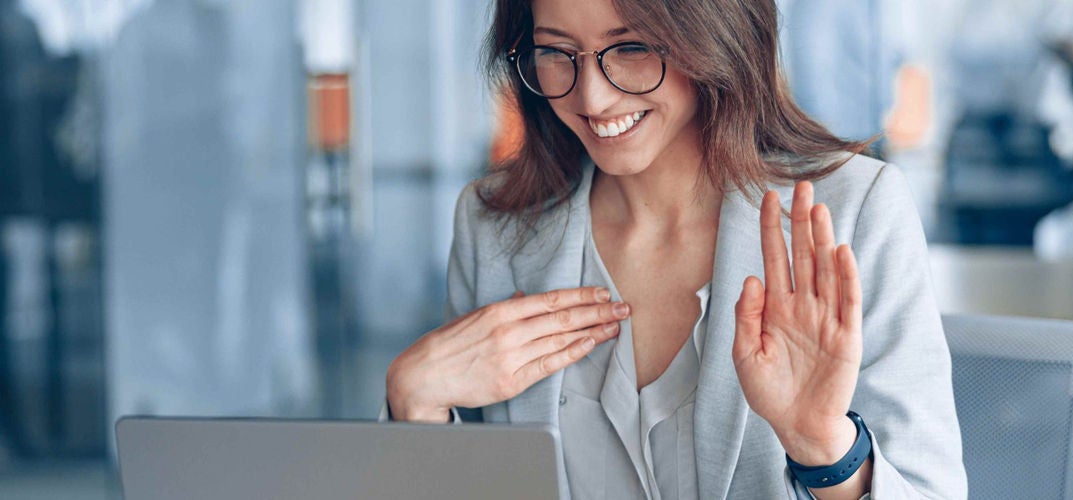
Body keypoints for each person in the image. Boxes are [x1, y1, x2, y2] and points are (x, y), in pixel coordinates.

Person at [383, 0, 966, 498]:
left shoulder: (854, 212)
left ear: (713, 34)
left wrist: (825, 448)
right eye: (557, 52)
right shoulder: (495, 226)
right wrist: (415, 407)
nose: (592, 96)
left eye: (631, 47)